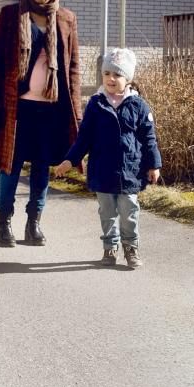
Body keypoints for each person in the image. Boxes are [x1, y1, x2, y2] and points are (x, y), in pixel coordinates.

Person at [0, 0, 81, 247]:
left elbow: (73, 68)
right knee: (10, 167)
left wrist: (76, 110)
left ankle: (33, 222)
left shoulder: (66, 19)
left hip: (51, 109)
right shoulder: (11, 14)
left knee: (41, 168)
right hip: (17, 108)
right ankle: (4, 221)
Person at [54, 48, 161, 269]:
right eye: (107, 73)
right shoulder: (96, 104)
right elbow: (84, 138)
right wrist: (70, 160)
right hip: (102, 170)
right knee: (107, 212)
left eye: (117, 74)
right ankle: (110, 248)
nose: (111, 78)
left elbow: (149, 138)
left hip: (130, 171)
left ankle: (131, 248)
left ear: (128, 78)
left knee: (129, 210)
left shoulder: (139, 105)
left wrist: (154, 165)